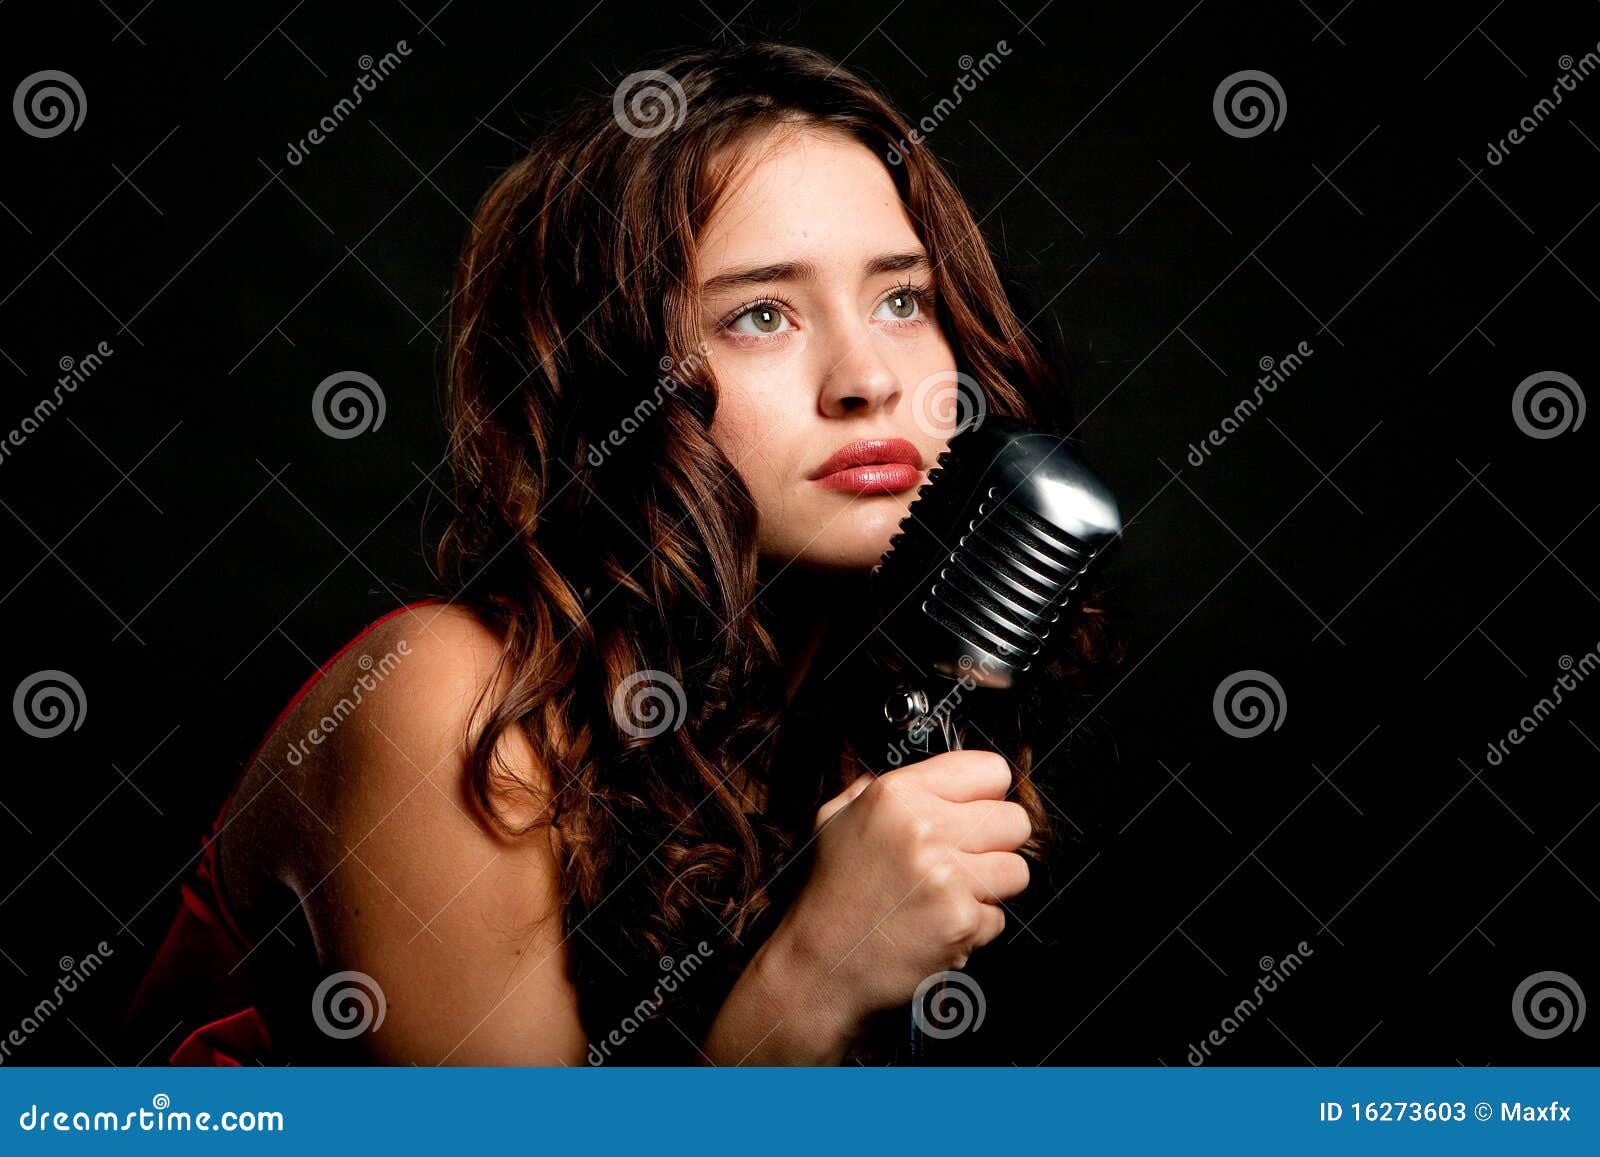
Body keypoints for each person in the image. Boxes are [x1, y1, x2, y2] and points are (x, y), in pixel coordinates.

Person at [123, 41, 1109, 1066]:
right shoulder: (448, 701)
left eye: (901, 299)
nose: (866, 377)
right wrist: (809, 983)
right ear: (618, 379)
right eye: (760, 314)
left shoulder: (869, 709)